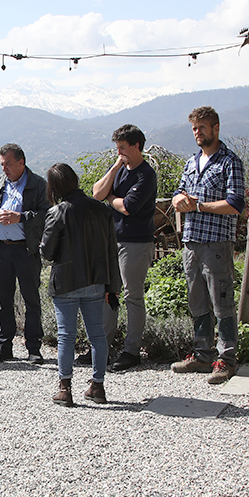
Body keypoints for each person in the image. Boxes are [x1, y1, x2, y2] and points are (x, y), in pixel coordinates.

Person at [170, 106, 246, 384]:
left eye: (202, 127)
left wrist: (199, 206)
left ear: (215, 128)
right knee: (197, 301)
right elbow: (179, 191)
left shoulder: (230, 162)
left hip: (216, 243)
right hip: (191, 242)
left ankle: (226, 360)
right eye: (194, 128)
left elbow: (236, 204)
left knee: (222, 303)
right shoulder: (191, 162)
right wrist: (179, 199)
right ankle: (202, 354)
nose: (197, 133)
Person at [40, 163, 120, 407]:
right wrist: (112, 286)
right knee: (97, 335)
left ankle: (65, 388)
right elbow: (111, 252)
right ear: (74, 180)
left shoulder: (58, 212)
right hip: (96, 280)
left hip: (66, 282)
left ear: (53, 187)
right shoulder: (101, 210)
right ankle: (98, 386)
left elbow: (48, 252)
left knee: (66, 336)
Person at [93, 124, 159, 371]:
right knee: (109, 294)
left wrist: (112, 199)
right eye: (117, 147)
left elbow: (128, 206)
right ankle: (102, 347)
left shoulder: (146, 175)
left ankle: (131, 350)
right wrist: (114, 168)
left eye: (122, 148)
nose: (119, 152)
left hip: (136, 243)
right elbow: (97, 193)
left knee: (132, 296)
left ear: (136, 146)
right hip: (113, 241)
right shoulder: (120, 170)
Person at [0, 143, 51, 364]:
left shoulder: (38, 184)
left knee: (31, 299)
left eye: (8, 164)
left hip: (26, 249)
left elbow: (46, 214)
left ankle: (33, 347)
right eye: (2, 164)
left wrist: (20, 217)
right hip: (1, 249)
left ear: (21, 162)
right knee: (4, 299)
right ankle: (4, 345)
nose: (4, 169)